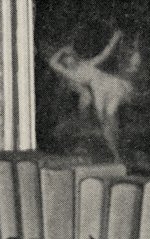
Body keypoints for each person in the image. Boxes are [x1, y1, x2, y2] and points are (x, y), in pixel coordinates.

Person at [47, 29, 140, 165]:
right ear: (64, 63)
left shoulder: (86, 64)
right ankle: (116, 154)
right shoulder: (69, 74)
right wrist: (62, 50)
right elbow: (52, 63)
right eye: (66, 60)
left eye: (71, 57)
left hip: (110, 84)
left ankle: (118, 151)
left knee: (110, 116)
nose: (70, 60)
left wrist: (114, 39)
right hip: (99, 91)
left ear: (74, 57)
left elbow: (104, 54)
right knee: (104, 119)